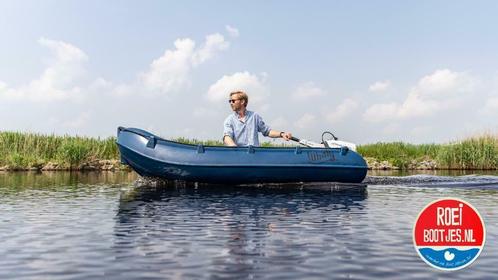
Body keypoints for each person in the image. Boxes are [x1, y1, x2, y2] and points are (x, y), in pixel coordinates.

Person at [223, 90, 292, 146]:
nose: (231, 103)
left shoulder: (254, 116)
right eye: (230, 101)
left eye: (233, 101)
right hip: (239, 157)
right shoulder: (229, 120)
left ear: (242, 101)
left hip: (254, 156)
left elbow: (267, 131)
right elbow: (227, 137)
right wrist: (235, 150)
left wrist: (282, 134)